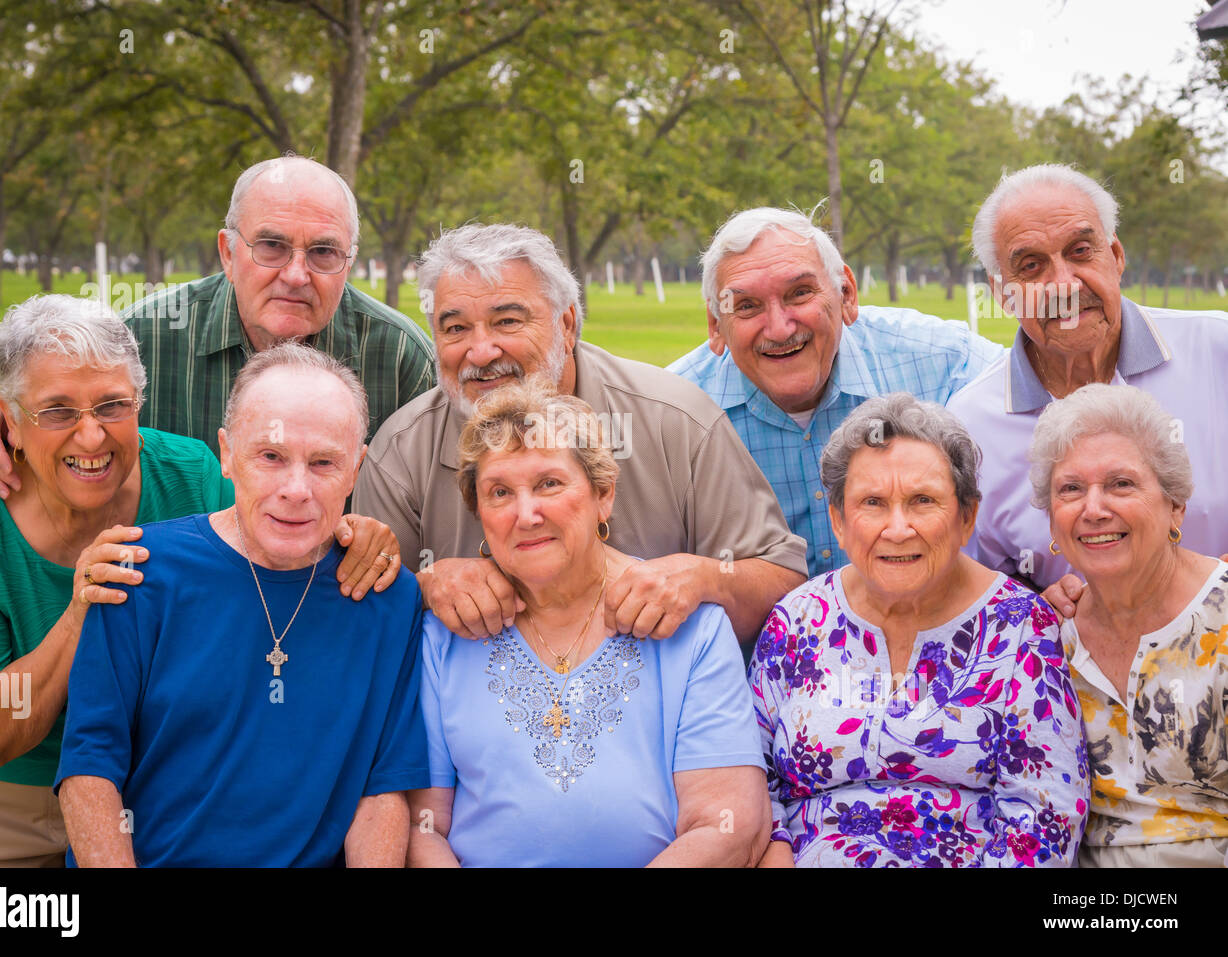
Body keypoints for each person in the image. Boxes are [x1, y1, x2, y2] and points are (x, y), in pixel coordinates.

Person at [55, 343, 427, 867]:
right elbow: (89, 768)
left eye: (324, 462)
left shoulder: (386, 595)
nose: (295, 490)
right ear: (227, 455)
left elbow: (382, 788)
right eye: (271, 457)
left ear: (357, 467)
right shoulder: (138, 570)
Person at [354, 223, 808, 644]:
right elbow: (365, 621)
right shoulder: (400, 453)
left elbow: (784, 584)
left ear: (566, 325)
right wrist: (425, 585)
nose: (481, 350)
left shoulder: (677, 420)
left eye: (507, 321)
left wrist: (705, 578)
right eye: (455, 328)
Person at [407, 378, 768, 867]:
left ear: (603, 495)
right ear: (481, 517)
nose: (527, 514)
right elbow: (423, 828)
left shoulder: (692, 629)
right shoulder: (444, 635)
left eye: (549, 484)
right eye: (499, 493)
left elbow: (727, 826)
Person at [0, 294, 229, 867]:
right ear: (9, 422)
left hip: (145, 777)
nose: (91, 438)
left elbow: (280, 553)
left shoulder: (192, 477)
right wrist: (80, 610)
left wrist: (355, 536)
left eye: (112, 405)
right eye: (58, 411)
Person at [750, 393, 1089, 867]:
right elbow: (748, 779)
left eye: (922, 501)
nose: (897, 527)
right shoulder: (796, 620)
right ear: (838, 521)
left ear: (967, 516)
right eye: (872, 503)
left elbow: (1044, 818)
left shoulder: (1021, 628)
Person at [0, 154, 435, 482]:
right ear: (228, 253)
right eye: (271, 246)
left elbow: (445, 488)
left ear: (348, 262)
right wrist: (6, 422)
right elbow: (73, 430)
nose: (296, 274)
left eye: (323, 251)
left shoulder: (398, 355)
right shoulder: (144, 337)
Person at [670, 206, 1004, 578]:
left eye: (799, 294)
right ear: (715, 326)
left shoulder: (946, 360)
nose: (780, 329)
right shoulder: (672, 412)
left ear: (846, 294)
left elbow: (1050, 418)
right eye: (747, 306)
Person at [948, 163, 1228, 599]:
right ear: (1002, 292)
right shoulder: (968, 425)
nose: (1063, 284)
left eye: (1081, 251)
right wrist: (1034, 610)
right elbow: (972, 592)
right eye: (1031, 266)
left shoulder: (1218, 350)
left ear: (1116, 256)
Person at [1028, 384, 1228, 867]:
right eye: (1071, 489)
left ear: (1174, 505)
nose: (1094, 509)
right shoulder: (1048, 637)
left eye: (1121, 484)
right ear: (1053, 523)